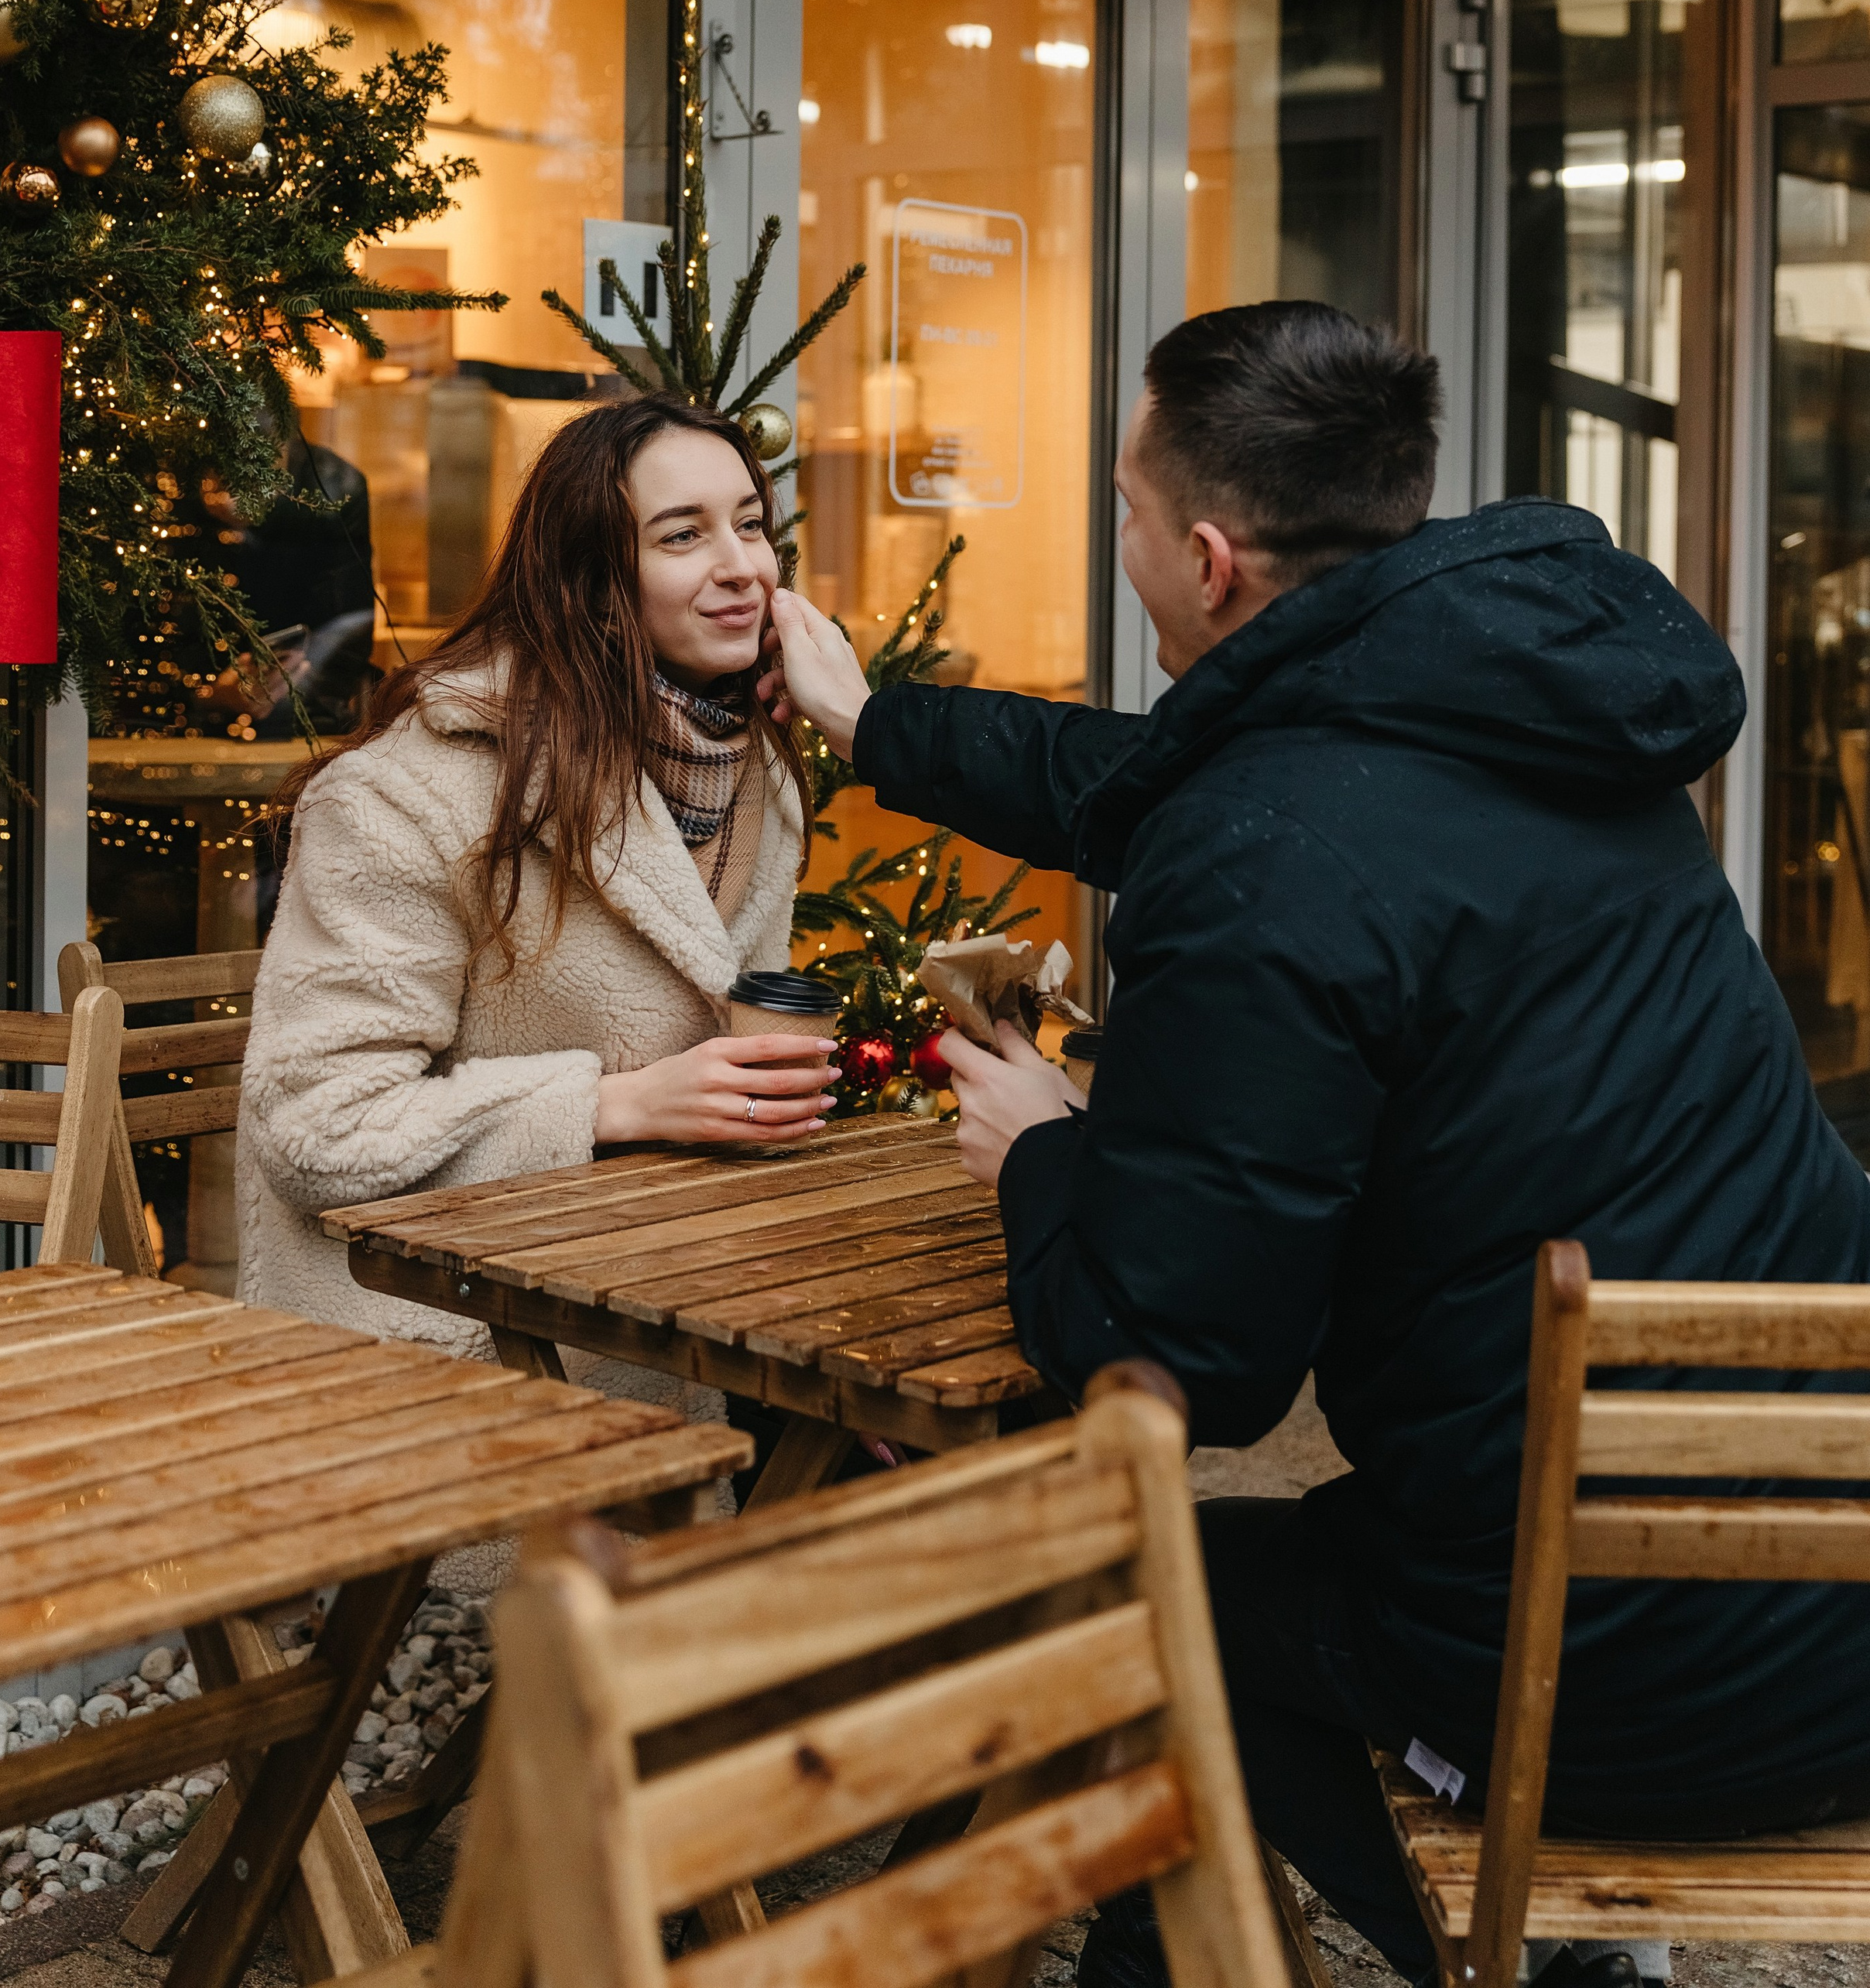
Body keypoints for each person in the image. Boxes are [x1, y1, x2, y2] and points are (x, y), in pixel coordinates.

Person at [765, 299, 1870, 1988]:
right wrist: (875, 723)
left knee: (1142, 1594)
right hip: (1836, 1605)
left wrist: (1040, 1154)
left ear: (1205, 559)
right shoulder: (1532, 713)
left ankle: (1545, 1965)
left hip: (1599, 1679)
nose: (1117, 543)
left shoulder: (1265, 850)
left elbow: (1180, 1368)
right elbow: (1162, 780)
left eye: (1122, 514)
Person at [238, 395, 839, 1435]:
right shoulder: (410, 799)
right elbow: (317, 1127)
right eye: (682, 535)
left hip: (663, 1328)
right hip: (440, 1371)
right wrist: (620, 1105)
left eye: (751, 523)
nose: (741, 565)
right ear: (594, 579)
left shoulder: (764, 790)